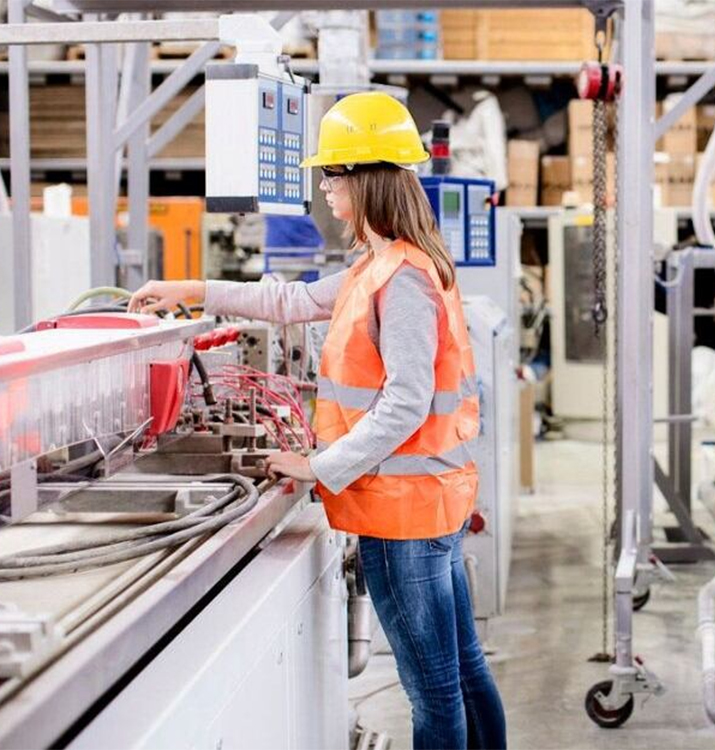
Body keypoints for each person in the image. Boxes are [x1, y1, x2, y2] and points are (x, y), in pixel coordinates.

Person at [129, 92, 507, 750]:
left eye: (331, 174)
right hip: (427, 502)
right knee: (463, 674)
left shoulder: (401, 279)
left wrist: (317, 466)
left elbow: (406, 401)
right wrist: (192, 291)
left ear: (366, 178)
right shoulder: (387, 264)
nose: (325, 188)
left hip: (404, 511)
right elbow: (294, 299)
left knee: (434, 692)